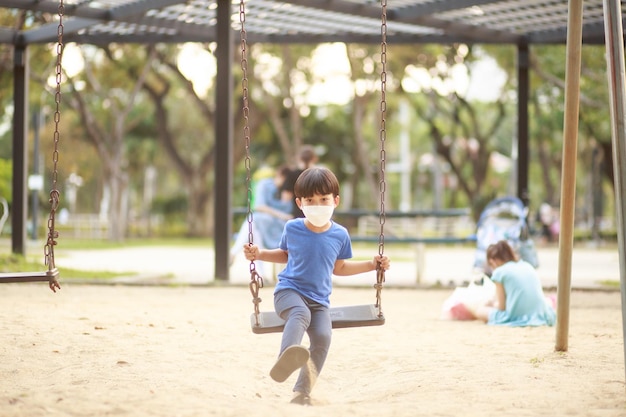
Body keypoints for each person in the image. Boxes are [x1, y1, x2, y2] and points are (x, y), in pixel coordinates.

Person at [243, 167, 390, 405]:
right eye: (310, 200)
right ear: (300, 203)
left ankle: (302, 392)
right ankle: (287, 356)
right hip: (289, 293)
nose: (318, 205)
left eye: (324, 199)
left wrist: (373, 265)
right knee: (300, 314)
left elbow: (340, 268)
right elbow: (284, 255)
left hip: (320, 301)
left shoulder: (340, 235)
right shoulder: (293, 227)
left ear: (335, 201)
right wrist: (259, 254)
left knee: (323, 338)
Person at [474, 240, 556, 327]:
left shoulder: (499, 272)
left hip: (516, 316)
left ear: (493, 261)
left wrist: (491, 304)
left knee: (480, 310)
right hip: (539, 315)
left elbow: (502, 307)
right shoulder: (526, 265)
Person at [230, 165, 294, 276]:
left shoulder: (288, 192)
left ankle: (233, 252)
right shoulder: (265, 185)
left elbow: (289, 212)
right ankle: (261, 274)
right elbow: (259, 206)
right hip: (263, 223)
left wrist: (286, 199)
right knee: (255, 229)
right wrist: (280, 214)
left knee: (253, 222)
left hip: (278, 228)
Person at [281, 145, 319, 218]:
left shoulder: (292, 175)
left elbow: (285, 198)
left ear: (299, 158)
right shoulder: (319, 175)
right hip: (316, 214)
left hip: (297, 214)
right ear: (314, 159)